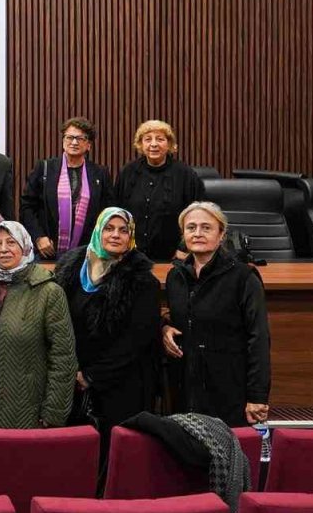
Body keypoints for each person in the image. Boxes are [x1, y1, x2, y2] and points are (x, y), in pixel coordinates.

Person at [53, 207, 158, 441]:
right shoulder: (70, 268)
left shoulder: (142, 280)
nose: (115, 235)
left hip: (121, 385)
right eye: (109, 228)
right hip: (72, 382)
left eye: (123, 230)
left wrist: (91, 375)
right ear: (98, 231)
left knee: (115, 454)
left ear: (130, 236)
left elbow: (135, 341)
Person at [163, 202, 270, 426]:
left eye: (206, 227)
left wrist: (257, 396)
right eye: (191, 228)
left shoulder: (243, 277)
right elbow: (181, 318)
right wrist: (163, 328)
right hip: (186, 390)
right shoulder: (176, 276)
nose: (198, 233)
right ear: (183, 234)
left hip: (228, 390)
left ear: (221, 234)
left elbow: (258, 338)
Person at [0, 221, 76, 429]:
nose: (3, 249)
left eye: (11, 242)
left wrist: (53, 414)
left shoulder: (49, 292)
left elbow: (63, 358)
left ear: (26, 246)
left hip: (27, 415)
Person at [20, 117, 113, 260]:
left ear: (88, 145)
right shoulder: (45, 168)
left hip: (88, 252)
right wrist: (38, 237)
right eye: (70, 137)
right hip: (47, 249)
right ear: (63, 141)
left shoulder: (100, 173)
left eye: (80, 138)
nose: (74, 142)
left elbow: (107, 212)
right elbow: (27, 206)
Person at [113, 120, 205, 261]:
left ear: (169, 145)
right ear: (140, 144)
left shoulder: (185, 175)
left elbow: (199, 215)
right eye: (148, 139)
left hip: (172, 258)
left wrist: (184, 249)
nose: (154, 144)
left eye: (160, 139)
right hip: (130, 256)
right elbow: (115, 212)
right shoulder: (128, 172)